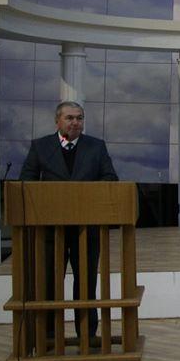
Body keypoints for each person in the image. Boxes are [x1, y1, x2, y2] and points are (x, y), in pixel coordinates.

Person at [19, 101, 118, 341]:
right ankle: (49, 336)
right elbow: (26, 182)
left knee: (86, 283)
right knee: (50, 283)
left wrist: (84, 194)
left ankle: (87, 335)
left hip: (86, 228)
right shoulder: (41, 147)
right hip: (51, 230)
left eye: (79, 118)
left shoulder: (96, 147)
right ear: (58, 121)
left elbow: (110, 179)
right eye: (70, 118)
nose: (75, 122)